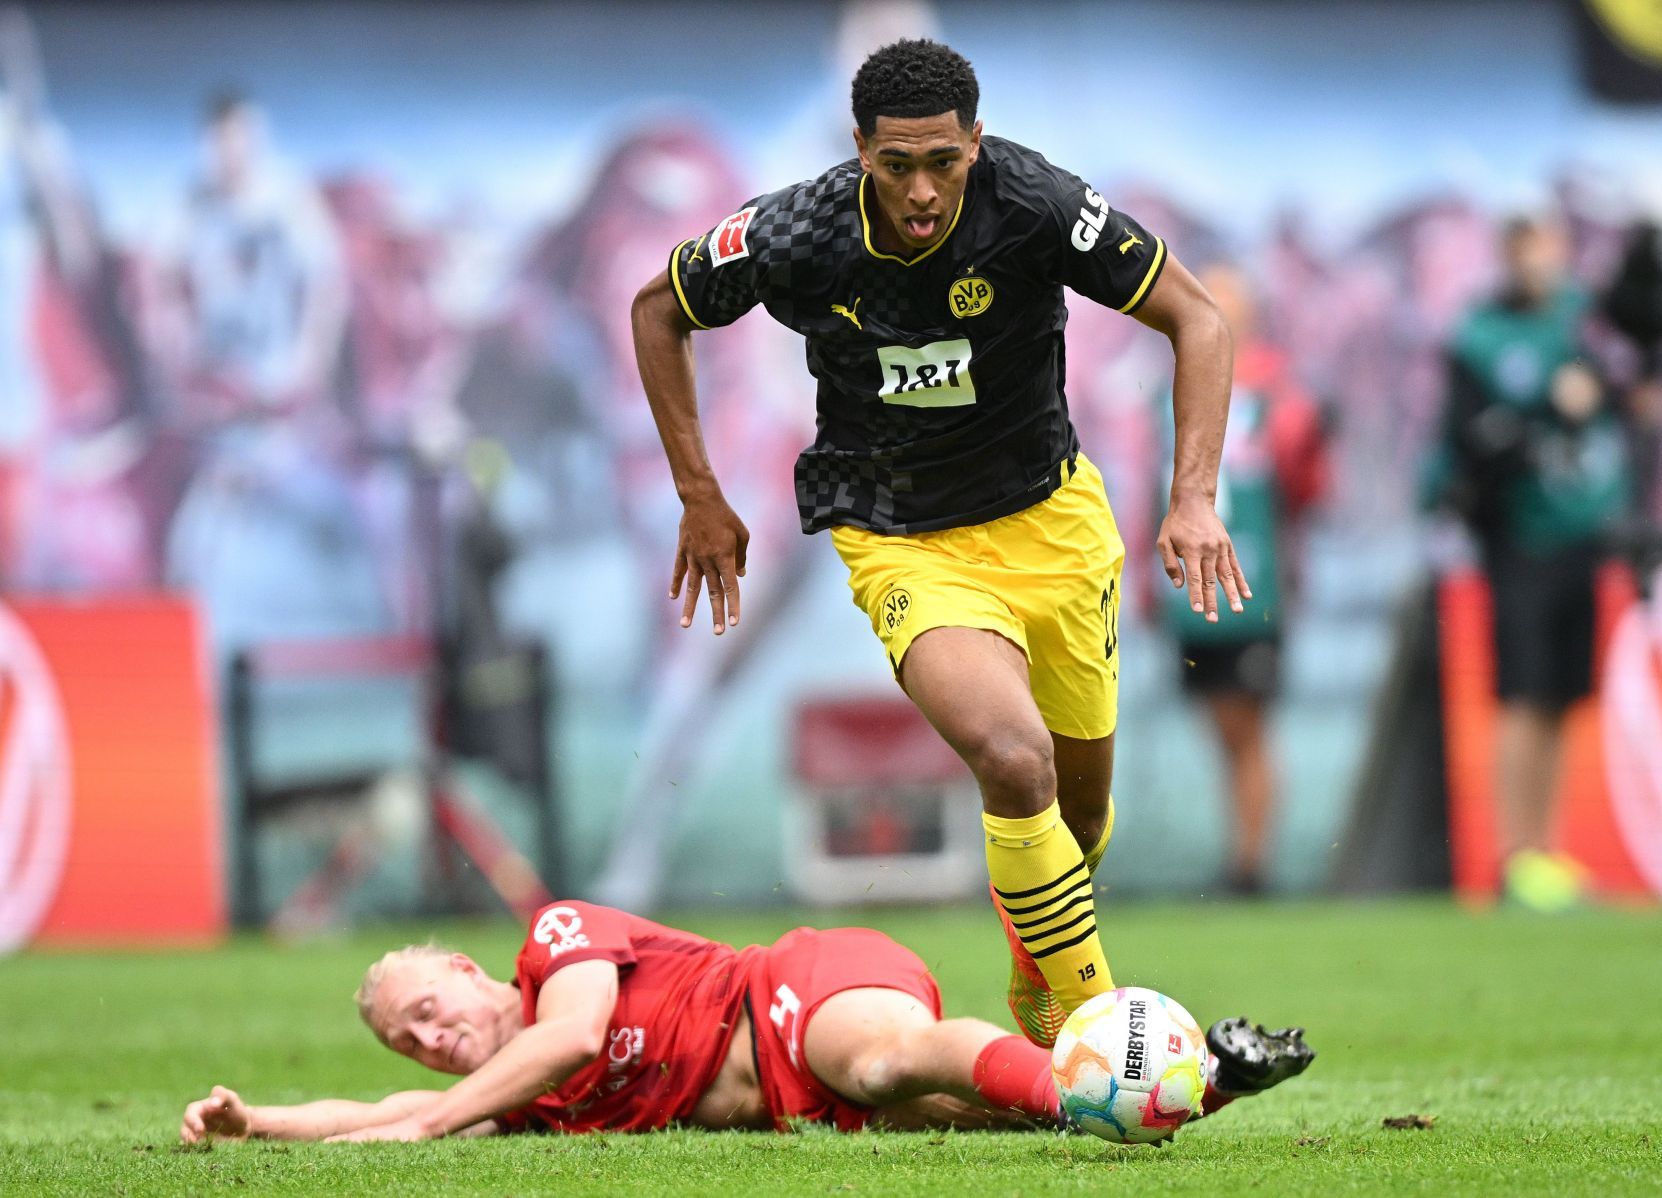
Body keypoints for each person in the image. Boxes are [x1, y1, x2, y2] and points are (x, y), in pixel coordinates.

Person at [627, 40, 1248, 1045]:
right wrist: (700, 494)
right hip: (900, 534)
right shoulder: (798, 231)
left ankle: (1035, 981)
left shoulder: (1038, 205)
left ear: (977, 143)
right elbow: (659, 309)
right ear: (860, 149)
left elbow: (1198, 318)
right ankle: (1100, 1033)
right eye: (896, 165)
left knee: (1078, 821)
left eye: (944, 164)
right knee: (1013, 758)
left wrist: (1192, 497)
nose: (921, 191)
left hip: (1054, 525)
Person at [177, 900, 1315, 1142]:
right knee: (981, 1116)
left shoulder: (554, 943)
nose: (429, 1043)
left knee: (882, 1057)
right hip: (791, 1100)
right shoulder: (519, 1104)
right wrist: (254, 1123)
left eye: (427, 1009)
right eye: (408, 1040)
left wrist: (426, 1127)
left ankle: (1096, 1064)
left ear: (475, 975)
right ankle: (1203, 1076)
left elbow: (571, 1033)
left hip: (795, 989)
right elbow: (391, 1112)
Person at [1435, 214, 1632, 913]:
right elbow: (1465, 440)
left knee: (1558, 698)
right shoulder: (1480, 336)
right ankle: (1515, 855)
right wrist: (1536, 415)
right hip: (1516, 536)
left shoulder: (1587, 324)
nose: (1535, 260)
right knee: (1519, 696)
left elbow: (1630, 393)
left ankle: (1545, 853)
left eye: (1543, 244)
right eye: (1521, 246)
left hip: (1580, 530)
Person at [1160, 263, 1328, 895]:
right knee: (1219, 724)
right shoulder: (1169, 385)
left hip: (1252, 586)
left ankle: (1251, 864)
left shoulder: (1280, 391)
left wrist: (1306, 445)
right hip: (1187, 592)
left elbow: (1308, 490)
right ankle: (1241, 853)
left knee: (1248, 724)